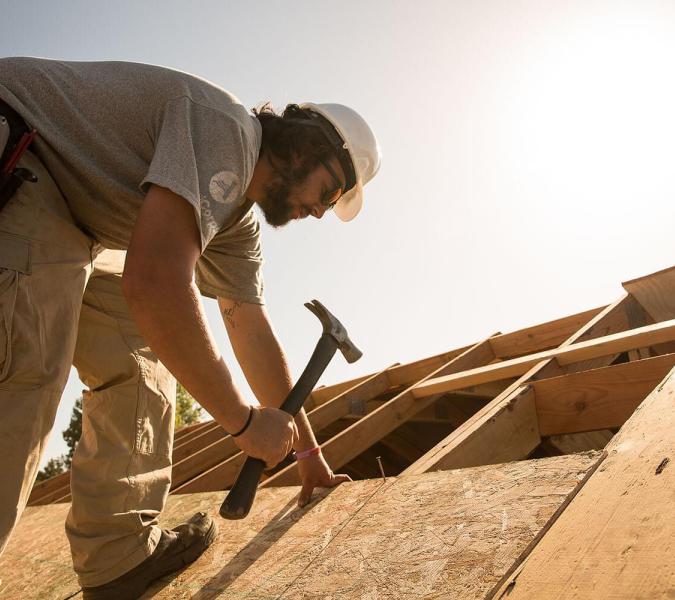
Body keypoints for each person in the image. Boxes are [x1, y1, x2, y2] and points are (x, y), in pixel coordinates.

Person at [0, 57, 381, 599]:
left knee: (141, 356)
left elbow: (244, 320)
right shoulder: (226, 129)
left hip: (75, 217)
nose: (321, 213)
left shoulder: (236, 222)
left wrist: (308, 459)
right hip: (22, 152)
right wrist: (242, 422)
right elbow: (155, 282)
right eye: (328, 193)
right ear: (304, 148)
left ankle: (118, 557)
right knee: (25, 368)